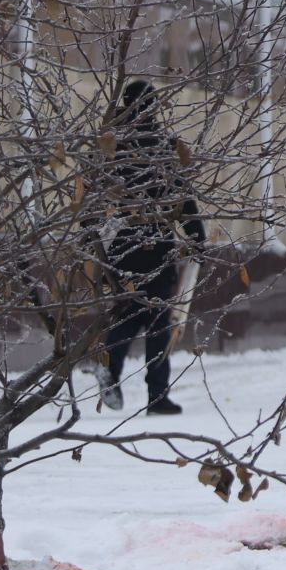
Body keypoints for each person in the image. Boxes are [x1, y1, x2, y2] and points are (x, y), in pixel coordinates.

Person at [97, 80, 205, 416]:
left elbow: (91, 198)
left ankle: (110, 370)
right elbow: (180, 196)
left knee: (127, 313)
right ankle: (157, 396)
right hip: (157, 246)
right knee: (158, 322)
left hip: (121, 246)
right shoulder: (159, 146)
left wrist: (93, 239)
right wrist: (196, 235)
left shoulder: (111, 145)